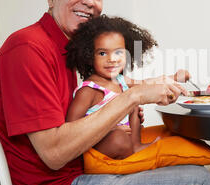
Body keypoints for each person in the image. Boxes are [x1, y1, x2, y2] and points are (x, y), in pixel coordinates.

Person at [0, 0, 210, 185]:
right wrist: (133, 98)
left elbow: (116, 86)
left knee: (188, 155)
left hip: (82, 172)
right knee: (196, 184)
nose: (89, 1)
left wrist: (161, 82)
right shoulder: (28, 49)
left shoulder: (69, 49)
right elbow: (54, 153)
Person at [65, 15, 163, 159]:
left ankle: (136, 145)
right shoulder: (89, 90)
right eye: (103, 53)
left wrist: (173, 78)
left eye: (118, 52)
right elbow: (71, 126)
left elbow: (145, 84)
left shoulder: (120, 80)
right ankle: (129, 150)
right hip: (100, 141)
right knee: (119, 139)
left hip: (127, 135)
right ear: (90, 57)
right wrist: (108, 128)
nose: (112, 59)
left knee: (133, 98)